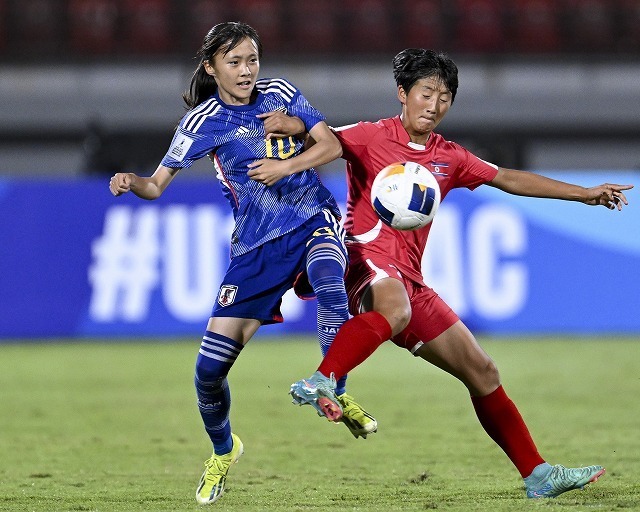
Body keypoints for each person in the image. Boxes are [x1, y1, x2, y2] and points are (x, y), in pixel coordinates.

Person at [280, 48, 633, 499]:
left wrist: (583, 193)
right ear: (402, 94)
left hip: (409, 277)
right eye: (426, 93)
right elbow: (322, 139)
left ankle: (538, 475)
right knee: (396, 307)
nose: (434, 105)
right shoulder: (369, 136)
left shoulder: (449, 156)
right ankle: (323, 379)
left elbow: (508, 178)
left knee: (483, 372)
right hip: (366, 259)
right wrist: (291, 133)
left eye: (445, 97)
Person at [108, 21, 376, 506]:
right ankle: (224, 450)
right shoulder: (201, 122)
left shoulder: (281, 92)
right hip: (255, 248)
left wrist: (287, 165)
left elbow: (332, 145)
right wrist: (132, 180)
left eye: (252, 59)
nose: (247, 71)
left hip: (311, 215)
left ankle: (333, 385)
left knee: (329, 282)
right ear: (211, 67)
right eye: (234, 62)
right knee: (208, 371)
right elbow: (156, 185)